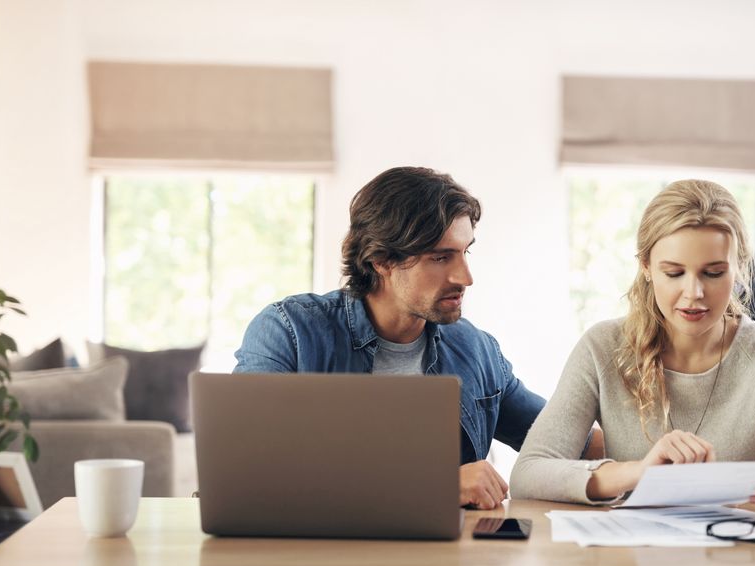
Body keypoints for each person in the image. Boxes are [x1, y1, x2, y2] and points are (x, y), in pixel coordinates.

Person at [509, 179, 755, 515]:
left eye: (713, 272)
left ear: (738, 268)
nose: (694, 294)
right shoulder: (602, 348)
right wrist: (639, 472)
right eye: (674, 272)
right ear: (646, 268)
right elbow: (529, 473)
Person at [235, 167, 561, 510]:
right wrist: (437, 485)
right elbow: (249, 472)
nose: (465, 277)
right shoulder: (290, 333)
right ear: (381, 260)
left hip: (447, 558)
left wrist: (621, 461)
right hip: (320, 555)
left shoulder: (476, 350)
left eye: (466, 252)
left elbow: (563, 440)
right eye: (440, 257)